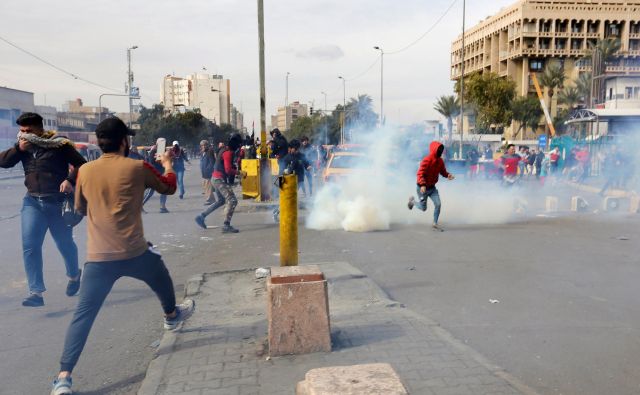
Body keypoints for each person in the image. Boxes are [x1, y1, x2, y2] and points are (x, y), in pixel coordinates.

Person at [50, 117, 194, 395]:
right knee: (159, 272)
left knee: (83, 316)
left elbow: (79, 208)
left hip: (98, 258)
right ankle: (172, 315)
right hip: (134, 251)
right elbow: (168, 187)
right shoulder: (138, 167)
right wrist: (167, 164)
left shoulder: (85, 171)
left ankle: (63, 378)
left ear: (98, 143)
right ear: (124, 142)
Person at [0, 112, 86, 307]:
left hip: (57, 203)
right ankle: (36, 292)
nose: (24, 134)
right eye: (21, 131)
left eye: (28, 130)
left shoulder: (59, 144)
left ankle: (74, 275)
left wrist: (70, 180)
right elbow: (3, 162)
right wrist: (17, 148)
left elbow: (82, 164)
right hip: (32, 203)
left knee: (64, 244)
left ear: (39, 129)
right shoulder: (22, 147)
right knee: (30, 246)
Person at [194, 134, 244, 233]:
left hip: (215, 178)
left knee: (221, 201)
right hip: (219, 179)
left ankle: (201, 216)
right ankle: (226, 225)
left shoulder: (223, 149)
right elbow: (228, 169)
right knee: (232, 200)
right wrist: (239, 173)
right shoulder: (228, 153)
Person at [407, 141, 455, 231]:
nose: (440, 152)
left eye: (441, 150)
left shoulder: (440, 161)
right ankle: (413, 202)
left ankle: (435, 223)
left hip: (432, 188)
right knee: (423, 208)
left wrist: (448, 175)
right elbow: (420, 173)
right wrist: (422, 185)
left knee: (438, 204)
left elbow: (443, 172)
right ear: (434, 150)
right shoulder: (427, 160)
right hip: (422, 188)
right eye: (439, 150)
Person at [272, 139, 312, 223]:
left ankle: (280, 212)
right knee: (289, 199)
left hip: (299, 181)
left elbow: (307, 165)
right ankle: (277, 212)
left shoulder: (302, 156)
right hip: (287, 182)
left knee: (290, 199)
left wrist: (309, 167)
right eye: (293, 148)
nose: (295, 150)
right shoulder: (287, 158)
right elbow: (281, 171)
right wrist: (281, 182)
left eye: (296, 148)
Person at [142, 145, 169, 213]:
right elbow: (152, 162)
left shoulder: (164, 151)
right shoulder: (153, 151)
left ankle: (162, 207)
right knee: (150, 192)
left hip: (162, 174)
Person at [199, 140, 216, 204]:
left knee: (208, 186)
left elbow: (212, 162)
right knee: (205, 186)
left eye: (204, 145)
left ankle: (210, 199)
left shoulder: (209, 151)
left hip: (208, 172)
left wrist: (208, 169)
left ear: (207, 145)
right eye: (202, 145)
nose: (203, 146)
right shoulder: (203, 152)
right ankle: (211, 198)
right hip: (204, 172)